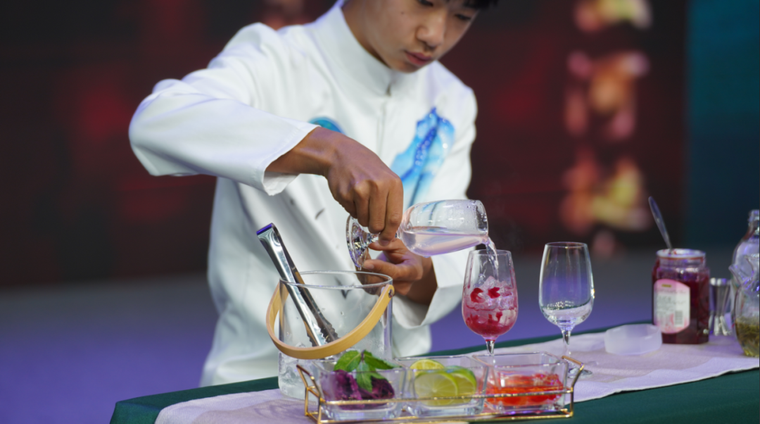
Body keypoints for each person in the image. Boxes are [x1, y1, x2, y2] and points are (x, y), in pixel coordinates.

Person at [129, 0, 498, 386]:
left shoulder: (451, 99)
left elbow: (452, 253)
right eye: (424, 3)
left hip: (396, 384)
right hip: (262, 381)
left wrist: (417, 272)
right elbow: (157, 120)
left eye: (462, 16)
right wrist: (326, 149)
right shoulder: (277, 60)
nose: (434, 35)